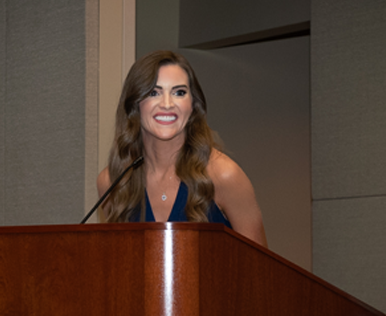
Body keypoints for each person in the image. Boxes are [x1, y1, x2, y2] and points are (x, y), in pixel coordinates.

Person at [97, 50, 268, 247]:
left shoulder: (225, 176)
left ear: (193, 105)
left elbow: (261, 272)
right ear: (134, 105)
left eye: (179, 92)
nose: (168, 104)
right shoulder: (112, 182)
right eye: (154, 92)